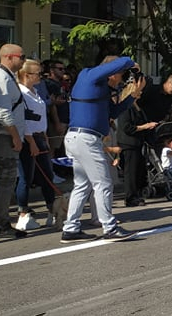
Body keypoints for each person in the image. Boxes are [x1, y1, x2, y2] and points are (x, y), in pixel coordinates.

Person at [60, 55, 142, 242]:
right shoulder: (88, 75)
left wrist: (133, 96)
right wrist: (132, 63)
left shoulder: (99, 88)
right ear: (112, 72)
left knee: (83, 185)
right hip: (86, 138)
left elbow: (112, 113)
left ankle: (70, 229)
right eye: (121, 74)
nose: (122, 79)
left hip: (81, 138)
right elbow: (120, 63)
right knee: (103, 183)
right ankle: (110, 227)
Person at [0, 44, 28, 239]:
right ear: (10, 57)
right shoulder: (1, 77)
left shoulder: (6, 76)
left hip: (6, 135)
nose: (23, 61)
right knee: (5, 179)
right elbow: (3, 113)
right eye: (22, 56)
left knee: (2, 178)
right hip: (4, 136)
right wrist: (15, 136)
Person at [14, 59, 59, 230]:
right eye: (38, 73)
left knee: (47, 175)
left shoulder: (35, 92)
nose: (41, 76)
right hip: (29, 139)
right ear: (26, 75)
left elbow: (40, 117)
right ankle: (23, 213)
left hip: (40, 136)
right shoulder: (21, 93)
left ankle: (52, 210)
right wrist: (31, 141)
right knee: (26, 177)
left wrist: (45, 135)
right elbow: (23, 120)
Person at [116, 89, 159, 207]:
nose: (140, 93)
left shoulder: (137, 107)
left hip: (138, 143)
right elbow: (126, 127)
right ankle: (130, 197)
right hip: (128, 143)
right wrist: (145, 126)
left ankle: (137, 194)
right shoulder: (126, 108)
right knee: (130, 172)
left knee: (138, 170)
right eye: (138, 91)